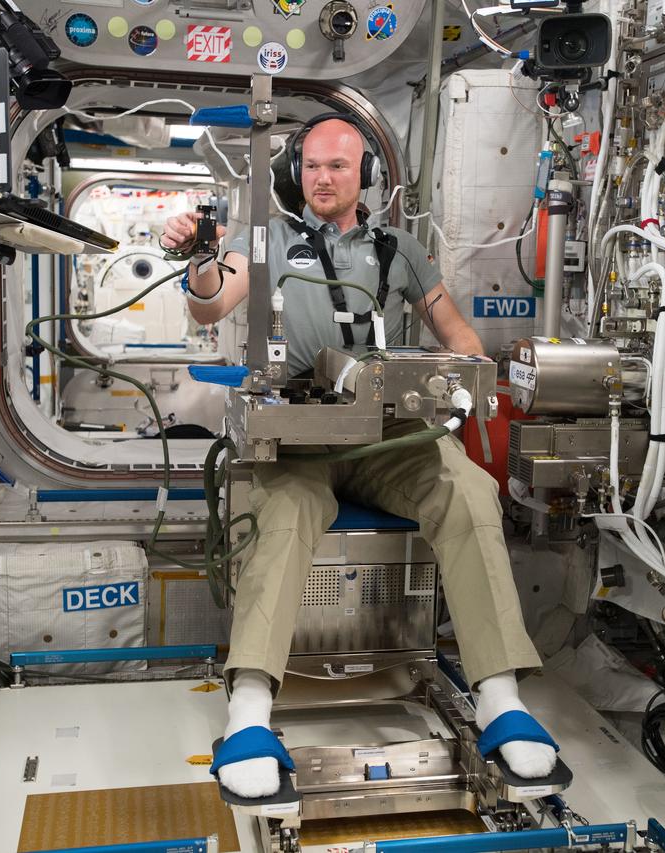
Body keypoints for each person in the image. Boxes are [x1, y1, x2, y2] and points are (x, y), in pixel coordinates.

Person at [161, 116, 559, 800]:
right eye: (312, 166)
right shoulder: (268, 242)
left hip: (384, 438)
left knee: (466, 489)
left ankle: (499, 697)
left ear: (365, 177)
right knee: (285, 511)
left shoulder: (397, 250)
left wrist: (474, 373)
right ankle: (250, 712)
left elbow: (451, 324)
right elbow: (210, 301)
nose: (322, 178)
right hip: (296, 441)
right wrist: (198, 261)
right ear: (296, 173)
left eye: (338, 167)